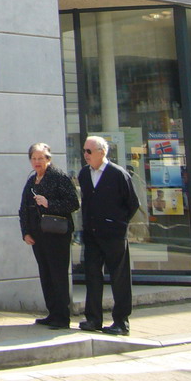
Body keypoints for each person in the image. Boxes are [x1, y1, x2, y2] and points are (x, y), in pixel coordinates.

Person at [78, 135, 141, 336]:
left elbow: (132, 203)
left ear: (102, 152)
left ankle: (121, 322)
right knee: (93, 276)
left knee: (119, 278)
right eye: (84, 151)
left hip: (113, 235)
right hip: (92, 234)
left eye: (89, 151)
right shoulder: (84, 174)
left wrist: (119, 223)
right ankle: (93, 319)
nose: (85, 155)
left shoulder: (118, 174)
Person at [18, 142, 80, 330]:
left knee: (58, 274)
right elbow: (23, 208)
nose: (37, 162)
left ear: (48, 159)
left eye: (41, 158)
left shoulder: (58, 176)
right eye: (34, 158)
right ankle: (52, 313)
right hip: (38, 236)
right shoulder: (32, 180)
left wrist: (48, 203)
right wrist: (25, 232)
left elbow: (73, 203)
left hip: (56, 234)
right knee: (46, 274)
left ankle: (62, 317)